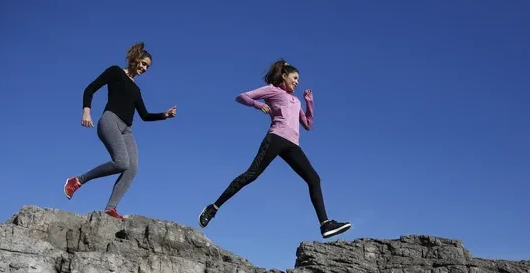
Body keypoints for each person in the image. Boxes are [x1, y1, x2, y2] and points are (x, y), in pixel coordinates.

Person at [197, 59, 351, 239]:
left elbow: (308, 124)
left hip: (293, 144)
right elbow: (242, 96)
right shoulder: (272, 90)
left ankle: (325, 225)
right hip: (276, 138)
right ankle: (213, 208)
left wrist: (309, 102)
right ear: (284, 76)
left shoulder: (296, 100)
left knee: (314, 179)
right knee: (251, 175)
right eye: (294, 78)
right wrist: (258, 104)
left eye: (298, 80)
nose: (296, 82)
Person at [63, 42, 176, 219]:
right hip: (110, 121)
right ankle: (77, 180)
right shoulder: (115, 71)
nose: (145, 68)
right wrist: (86, 111)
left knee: (132, 168)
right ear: (136, 59)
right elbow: (90, 89)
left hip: (127, 129)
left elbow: (144, 115)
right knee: (122, 162)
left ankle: (110, 209)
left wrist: (164, 115)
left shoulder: (137, 89)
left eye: (148, 66)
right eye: (144, 64)